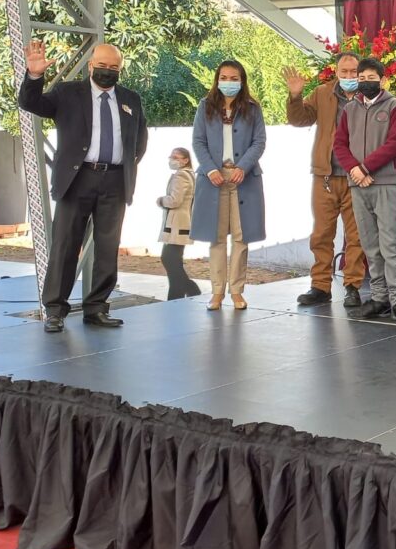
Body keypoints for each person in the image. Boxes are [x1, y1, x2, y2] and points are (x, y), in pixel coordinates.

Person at [17, 39, 148, 333]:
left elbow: (140, 139)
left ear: (120, 70)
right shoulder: (68, 93)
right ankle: (55, 310)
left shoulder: (131, 99)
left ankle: (97, 308)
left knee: (107, 247)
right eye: (101, 65)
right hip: (77, 179)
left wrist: (125, 164)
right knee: (65, 245)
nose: (107, 71)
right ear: (90, 65)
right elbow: (30, 103)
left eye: (113, 67)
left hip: (115, 181)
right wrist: (35, 75)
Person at [333, 58, 396, 325]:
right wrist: (355, 170)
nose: (366, 81)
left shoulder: (394, 106)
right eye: (362, 77)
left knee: (390, 243)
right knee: (369, 243)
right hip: (358, 184)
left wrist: (366, 168)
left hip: (385, 182)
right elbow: (340, 145)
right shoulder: (350, 109)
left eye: (371, 77)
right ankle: (379, 297)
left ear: (382, 79)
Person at [284, 53, 365, 309]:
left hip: (357, 177)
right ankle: (320, 287)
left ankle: (352, 286)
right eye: (345, 71)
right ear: (336, 71)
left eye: (354, 72)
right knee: (321, 234)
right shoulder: (322, 93)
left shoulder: (369, 95)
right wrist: (295, 96)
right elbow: (299, 119)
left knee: (356, 237)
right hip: (326, 176)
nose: (350, 76)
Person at [191, 60, 267, 312]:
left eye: (234, 78)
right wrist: (211, 168)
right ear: (217, 80)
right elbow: (198, 141)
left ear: (242, 81)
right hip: (213, 178)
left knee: (241, 237)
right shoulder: (205, 107)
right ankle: (216, 292)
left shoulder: (253, 109)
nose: (229, 82)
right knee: (216, 237)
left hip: (243, 178)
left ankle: (237, 290)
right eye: (224, 77)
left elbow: (259, 142)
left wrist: (242, 167)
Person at [157, 147, 201, 300]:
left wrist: (161, 200)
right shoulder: (189, 174)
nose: (172, 159)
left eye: (176, 157)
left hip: (177, 225)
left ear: (185, 160)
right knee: (173, 260)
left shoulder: (181, 175)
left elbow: (175, 200)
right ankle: (180, 293)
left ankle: (188, 290)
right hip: (181, 224)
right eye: (171, 156)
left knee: (169, 259)